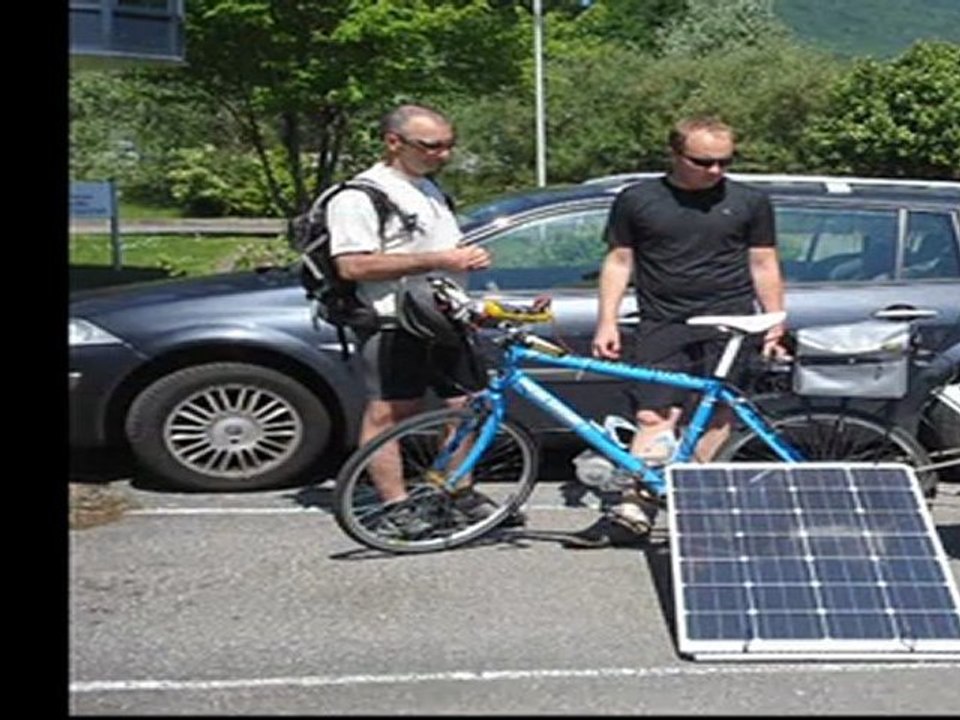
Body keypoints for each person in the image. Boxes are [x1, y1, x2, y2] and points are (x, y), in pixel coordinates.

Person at [564, 116, 787, 548]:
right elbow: (619, 261)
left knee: (715, 415)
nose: (716, 171)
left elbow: (763, 262)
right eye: (704, 161)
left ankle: (695, 504)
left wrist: (775, 321)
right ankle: (634, 512)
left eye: (725, 161)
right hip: (662, 319)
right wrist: (606, 319)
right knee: (652, 414)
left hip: (729, 320)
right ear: (675, 154)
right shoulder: (638, 199)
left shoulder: (750, 200)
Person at [326, 103, 523, 535]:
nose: (443, 155)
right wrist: (440, 258)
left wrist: (463, 261)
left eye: (449, 145)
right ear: (393, 142)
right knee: (391, 414)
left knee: (465, 405)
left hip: (442, 316)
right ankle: (395, 505)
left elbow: (436, 247)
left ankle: (457, 490)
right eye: (431, 146)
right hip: (393, 321)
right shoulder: (360, 196)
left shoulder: (428, 187)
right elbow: (353, 266)